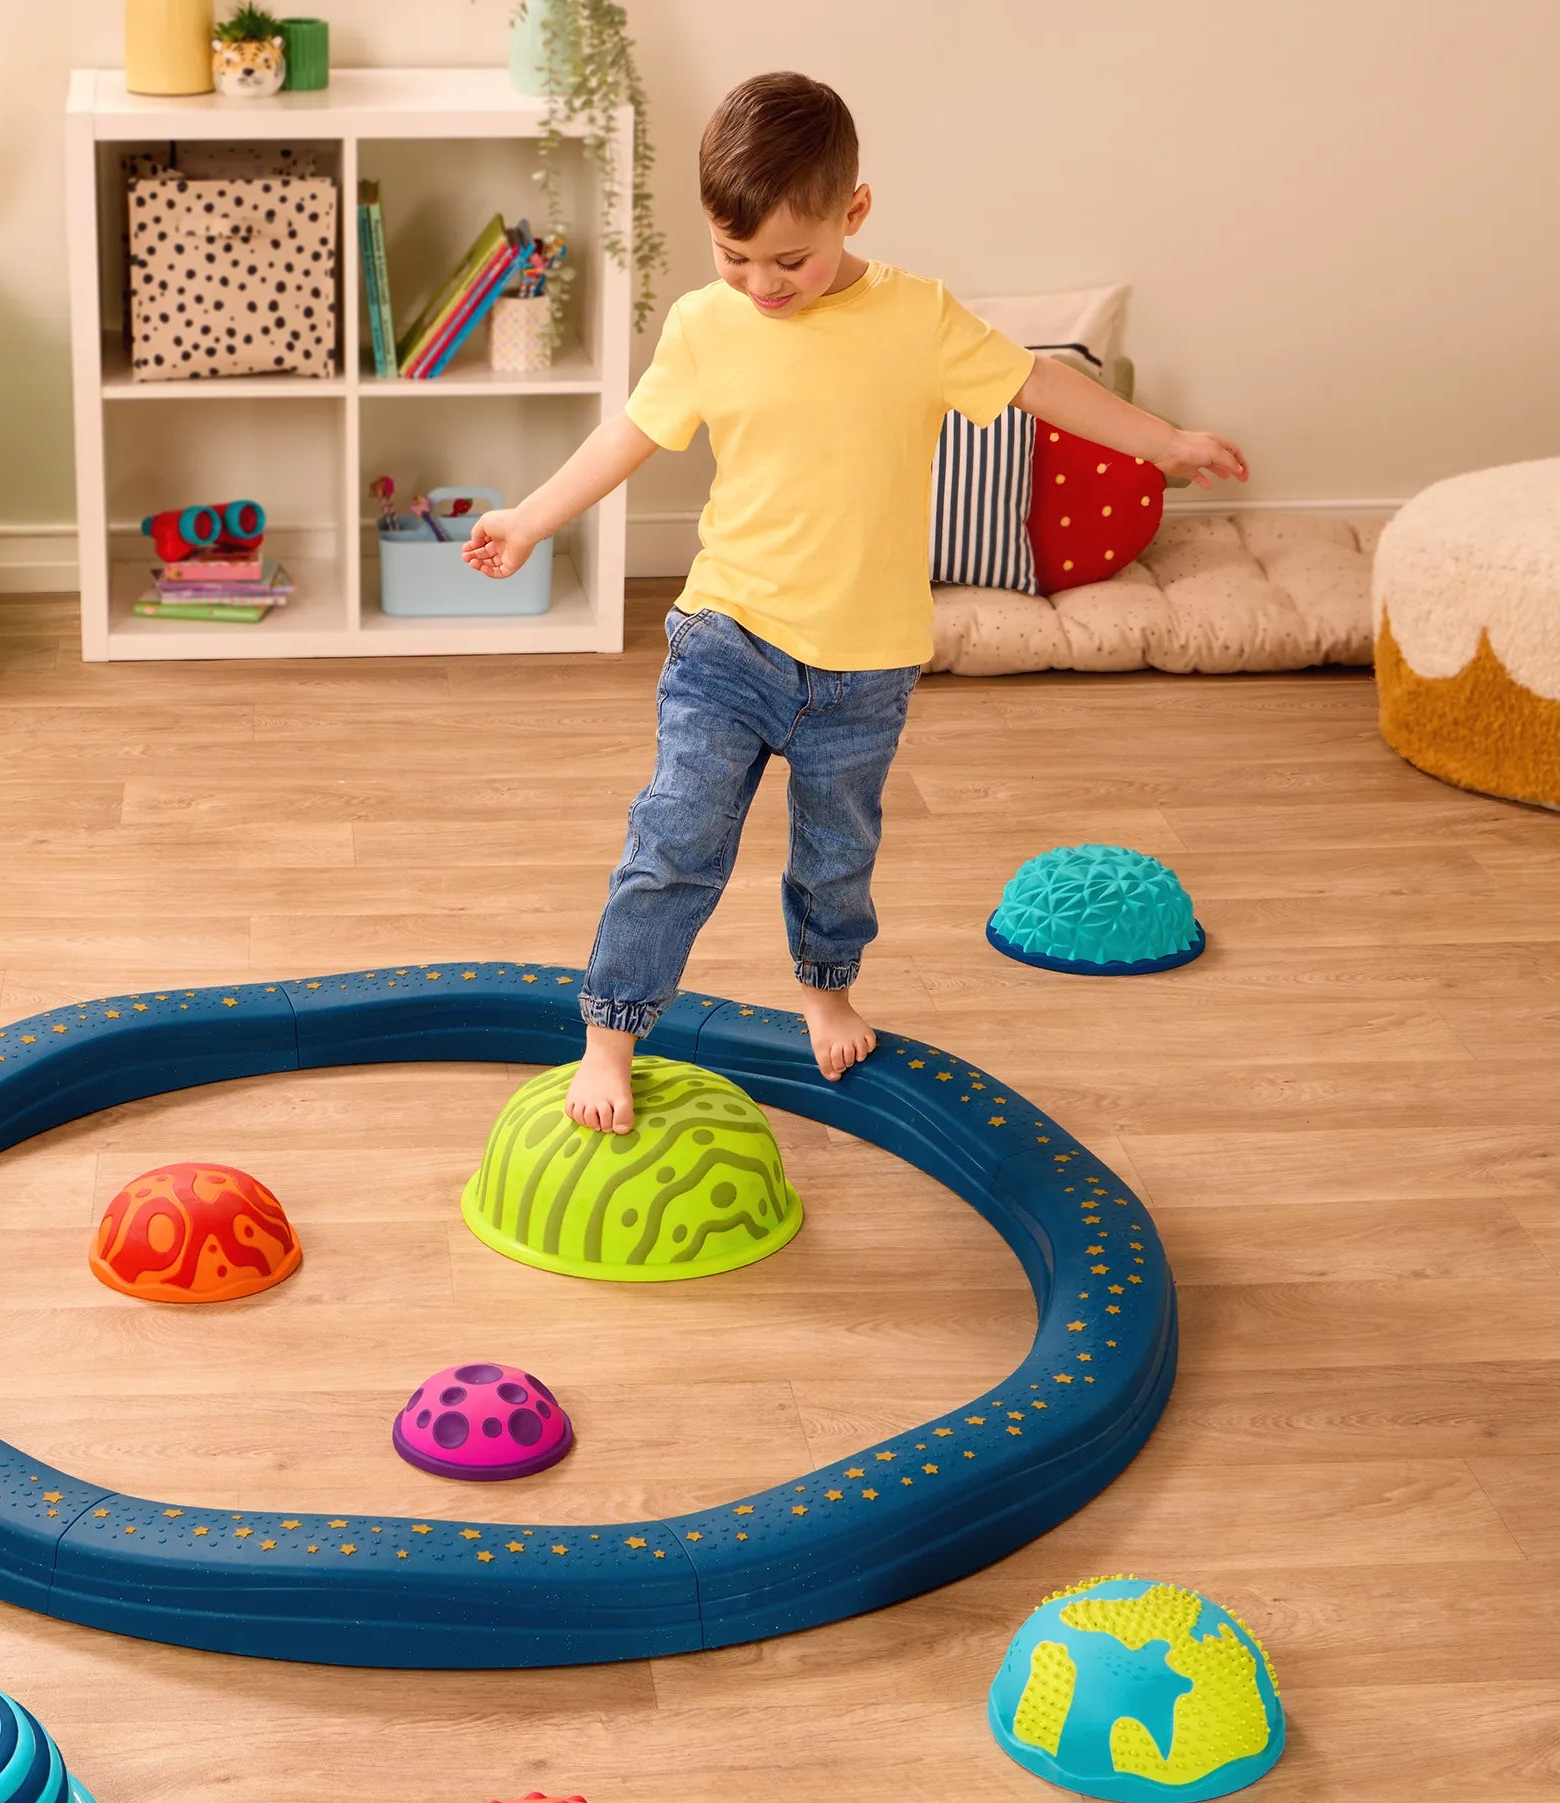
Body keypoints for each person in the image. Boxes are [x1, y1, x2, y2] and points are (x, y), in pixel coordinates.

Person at [463, 71, 1247, 1132]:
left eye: (790, 259)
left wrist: (1166, 443)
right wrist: (529, 519)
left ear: (855, 211)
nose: (762, 283)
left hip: (866, 669)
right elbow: (629, 435)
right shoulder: (704, 326)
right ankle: (611, 1034)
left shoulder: (917, 317)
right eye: (733, 255)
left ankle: (826, 993)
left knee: (838, 859)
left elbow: (1039, 384)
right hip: (729, 639)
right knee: (675, 841)